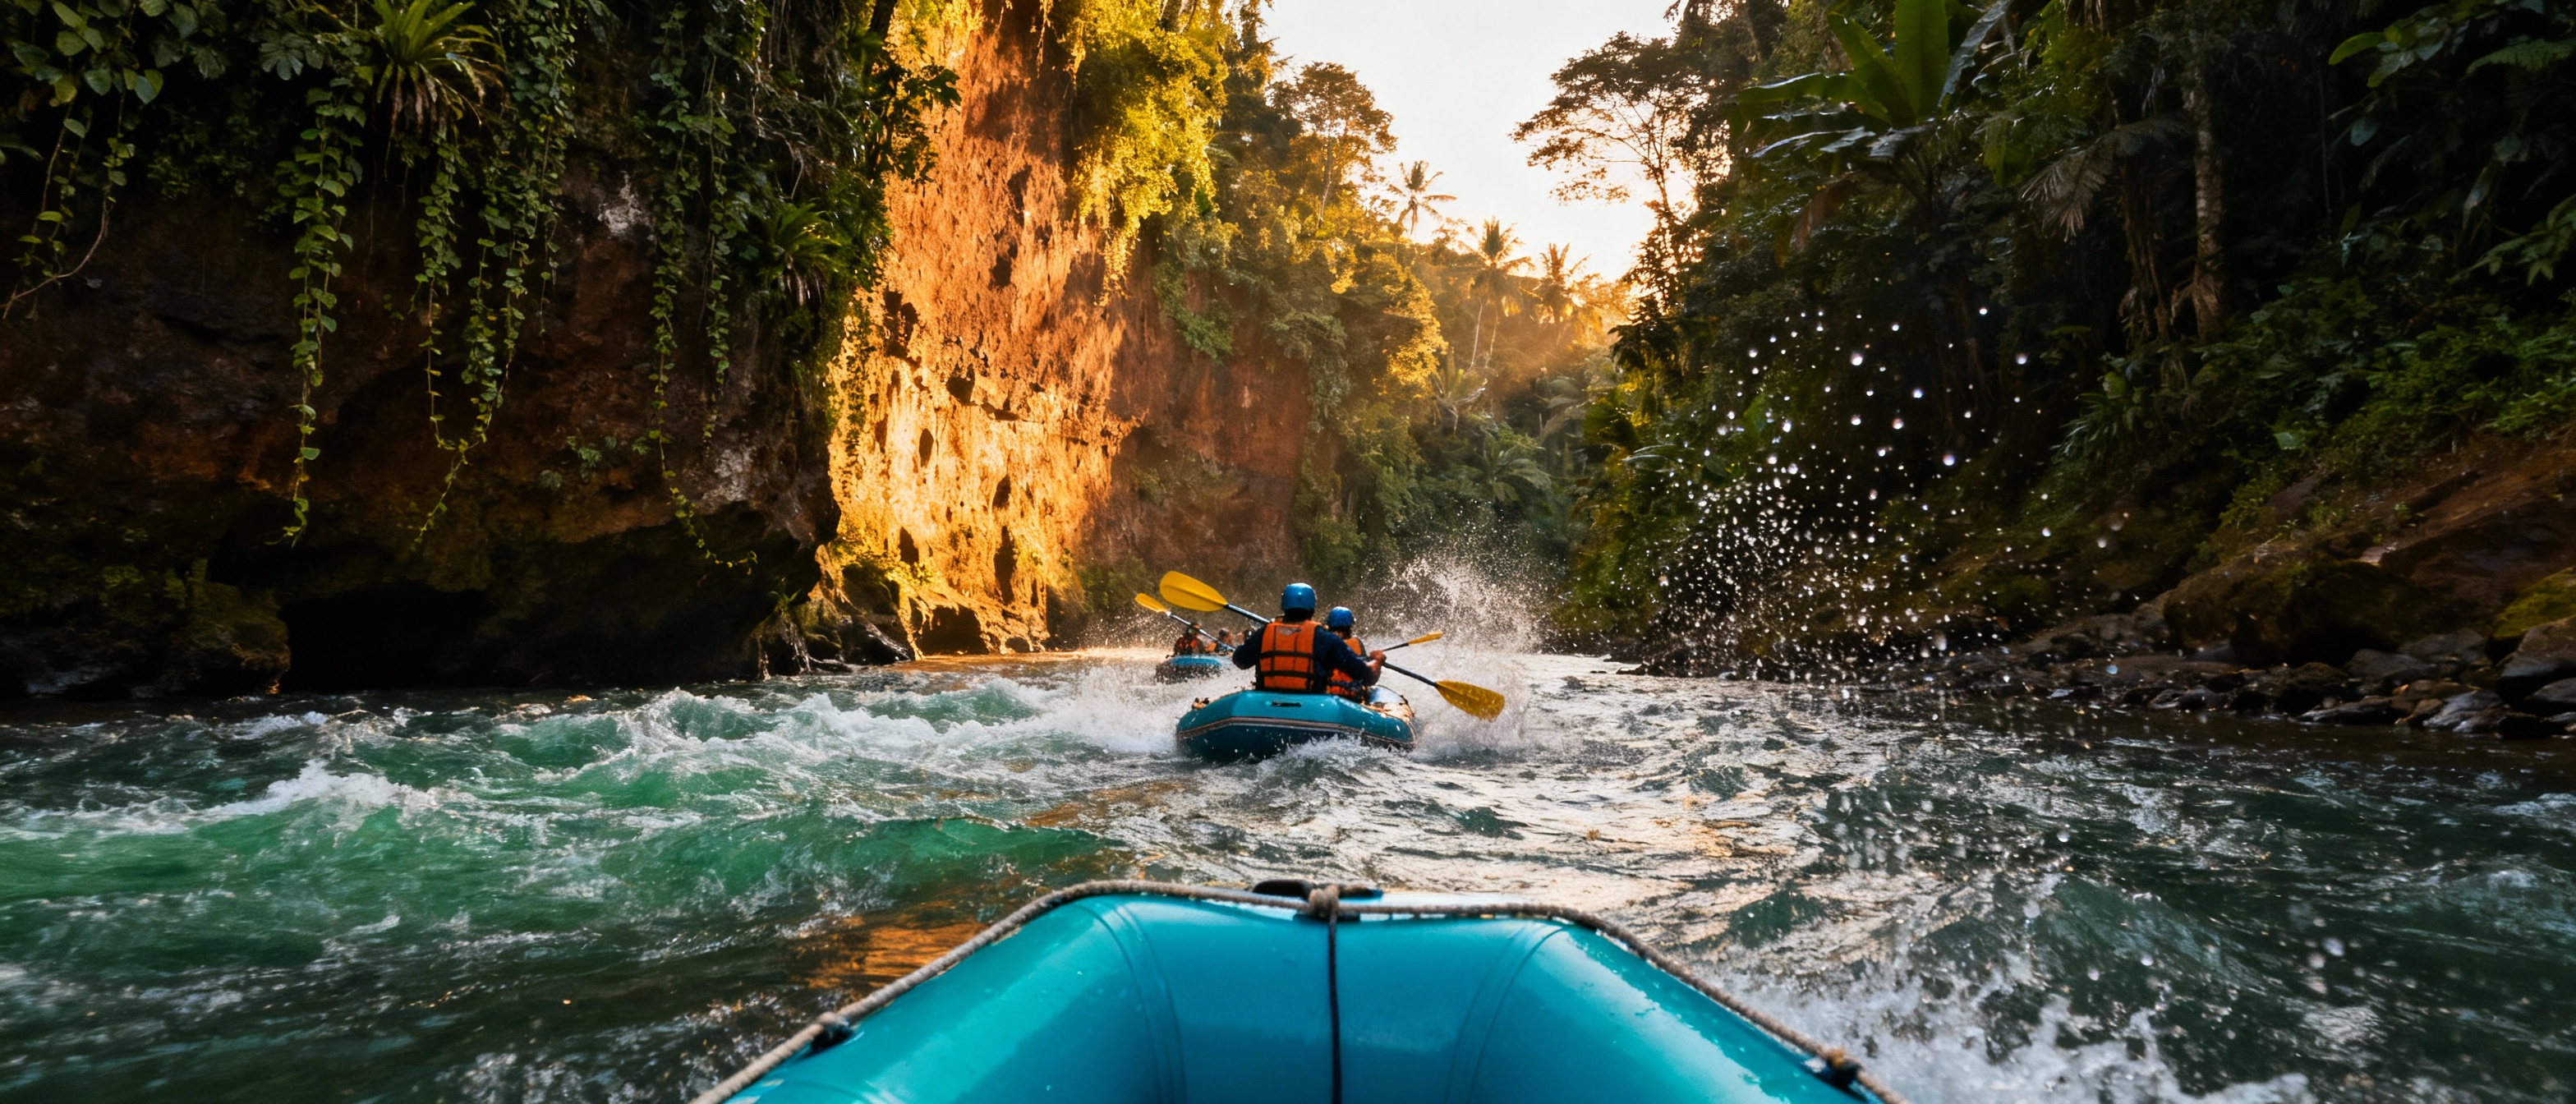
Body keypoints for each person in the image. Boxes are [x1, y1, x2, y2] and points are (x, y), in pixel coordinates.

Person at [1234, 583, 1381, 693]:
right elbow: (1366, 677)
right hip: (1312, 707)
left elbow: (1240, 661)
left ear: (1284, 607)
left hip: (1266, 703)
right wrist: (1377, 661)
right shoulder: (1324, 638)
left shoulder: (1264, 633)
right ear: (1312, 610)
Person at [1322, 606, 1368, 702]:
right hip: (1351, 697)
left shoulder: (1322, 642)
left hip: (1326, 694)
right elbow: (1365, 674)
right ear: (1349, 628)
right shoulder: (1356, 643)